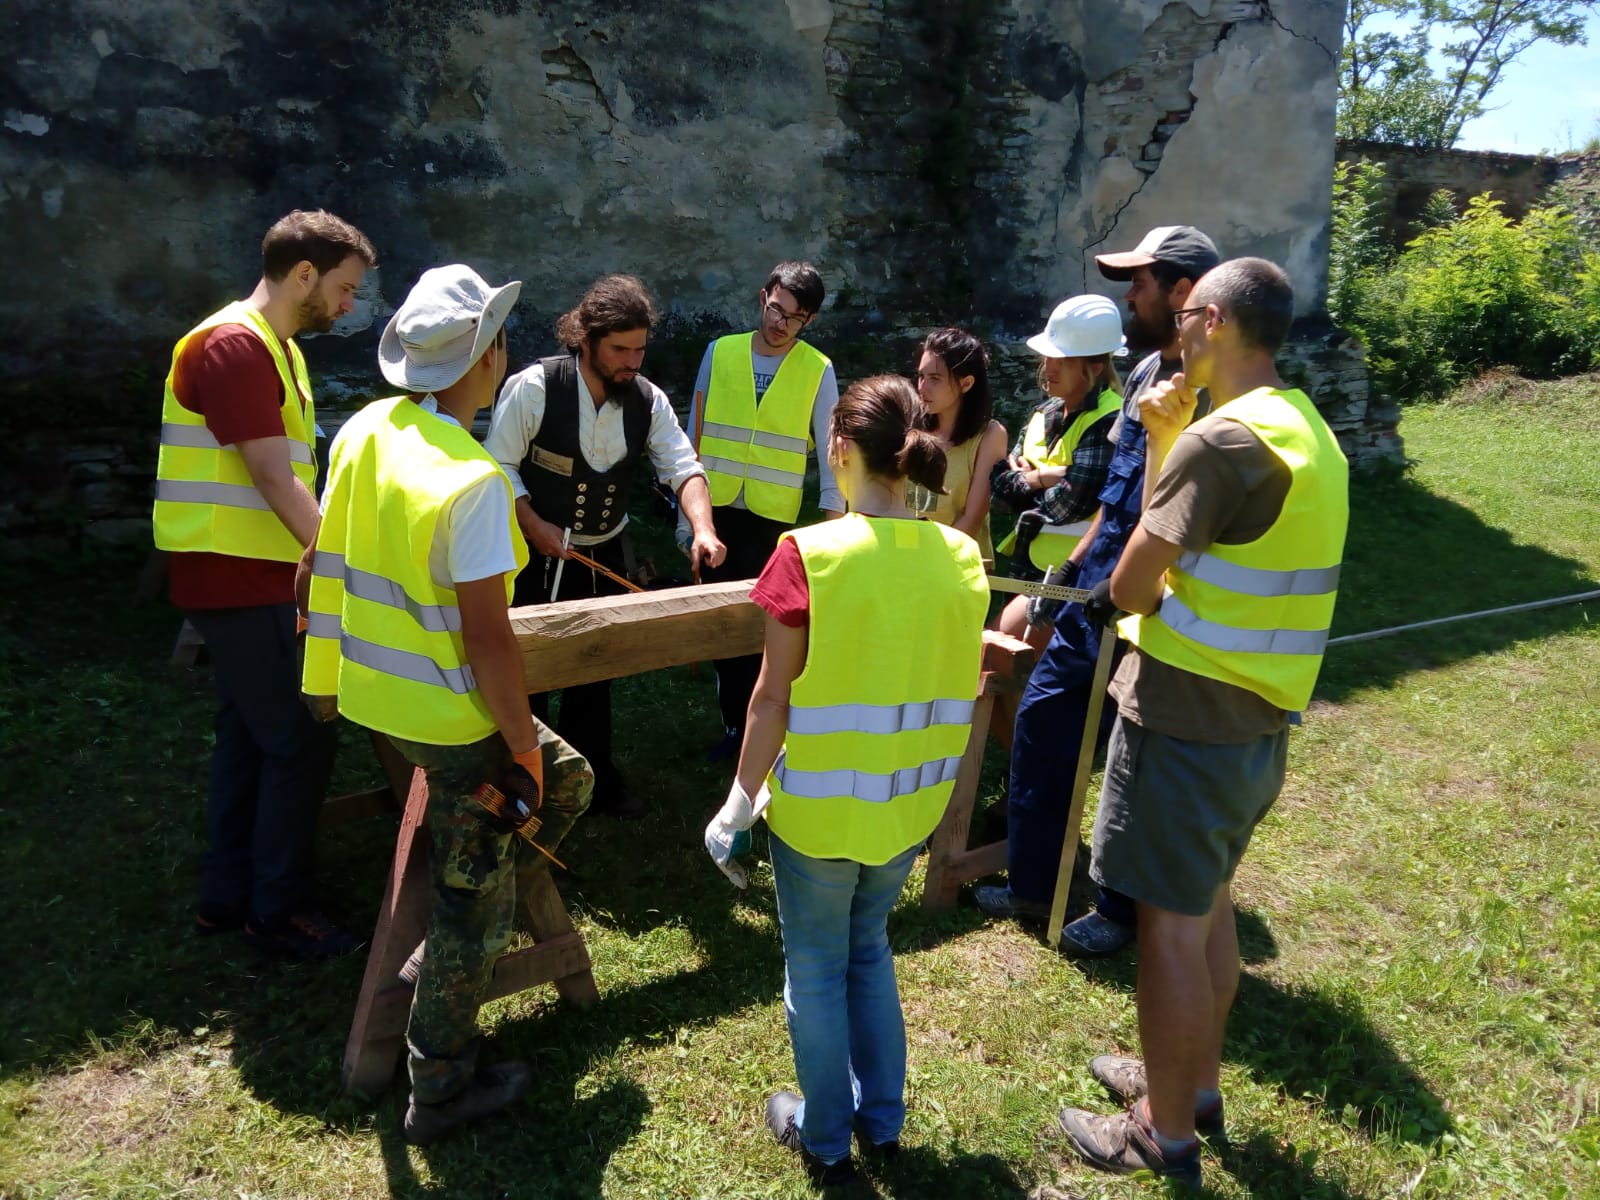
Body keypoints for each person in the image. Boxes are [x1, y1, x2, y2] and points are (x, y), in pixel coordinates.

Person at [1053, 258, 1349, 1186]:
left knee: (1169, 933)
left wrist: (1173, 442)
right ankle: (1196, 1086)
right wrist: (1170, 435)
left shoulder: (1218, 441)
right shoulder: (1305, 429)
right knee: (1207, 908)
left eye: (1185, 315)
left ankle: (1163, 1132)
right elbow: (1201, 547)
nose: (1175, 329)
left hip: (1185, 715)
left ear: (1213, 320)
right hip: (1256, 718)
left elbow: (1135, 580)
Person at [301, 265, 596, 1145]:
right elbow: (490, 642)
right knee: (481, 893)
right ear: (488, 356)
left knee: (563, 787)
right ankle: (438, 1083)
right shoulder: (471, 481)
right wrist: (522, 745)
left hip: (376, 697)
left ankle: (468, 916)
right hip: (453, 719)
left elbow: (317, 559)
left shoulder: (364, 429)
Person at [702, 375, 989, 1186]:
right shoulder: (962, 556)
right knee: (869, 948)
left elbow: (770, 699)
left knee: (817, 968)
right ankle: (882, 1121)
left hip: (821, 813)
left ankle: (826, 1137)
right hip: (909, 806)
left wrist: (736, 804)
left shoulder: (807, 555)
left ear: (838, 448)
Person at [975, 225, 1221, 959]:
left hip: (1160, 597)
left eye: (1139, 284)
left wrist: (1130, 583)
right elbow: (1115, 503)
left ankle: (1119, 906)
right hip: (1097, 584)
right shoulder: (1145, 374)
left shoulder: (1213, 390)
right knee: (1044, 720)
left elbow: (1180, 513)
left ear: (1183, 292)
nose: (1128, 298)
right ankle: (1035, 882)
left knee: (1133, 750)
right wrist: (1069, 575)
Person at [152, 208, 375, 958]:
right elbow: (275, 479)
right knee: (297, 739)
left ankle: (228, 895)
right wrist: (342, 568)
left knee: (250, 737)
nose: (349, 306)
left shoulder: (277, 349)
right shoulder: (236, 346)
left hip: (252, 574)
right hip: (241, 577)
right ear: (304, 273)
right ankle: (278, 912)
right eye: (345, 288)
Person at [482, 274, 725, 818]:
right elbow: (496, 467)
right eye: (619, 349)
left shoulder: (647, 400)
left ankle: (591, 783)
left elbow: (683, 467)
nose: (631, 362)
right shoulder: (534, 388)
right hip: (529, 556)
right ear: (586, 339)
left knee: (594, 669)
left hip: (605, 552)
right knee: (526, 669)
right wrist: (532, 523)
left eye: (639, 350)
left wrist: (703, 528)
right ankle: (526, 782)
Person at [686, 262, 844, 763]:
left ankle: (766, 726)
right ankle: (736, 725)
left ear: (810, 321)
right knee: (720, 624)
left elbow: (832, 452)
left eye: (794, 318)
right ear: (762, 298)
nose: (780, 323)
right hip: (714, 511)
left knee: (764, 629)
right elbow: (693, 434)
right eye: (776, 309)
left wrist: (834, 523)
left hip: (773, 520)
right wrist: (685, 517)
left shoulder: (818, 369)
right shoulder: (720, 351)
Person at [990, 294, 1125, 589]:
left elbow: (1069, 506)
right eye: (1049, 356)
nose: (1050, 367)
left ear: (1095, 367)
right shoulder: (1045, 411)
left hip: (1074, 576)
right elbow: (998, 494)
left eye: (1063, 360)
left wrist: (1023, 481)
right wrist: (1041, 478)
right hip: (1028, 564)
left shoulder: (1109, 420)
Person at [905, 327, 1008, 566]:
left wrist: (929, 563)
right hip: (906, 563)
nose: (922, 387)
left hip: (959, 567)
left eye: (935, 379)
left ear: (966, 383)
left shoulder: (990, 436)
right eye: (921, 376)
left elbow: (971, 520)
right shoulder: (910, 428)